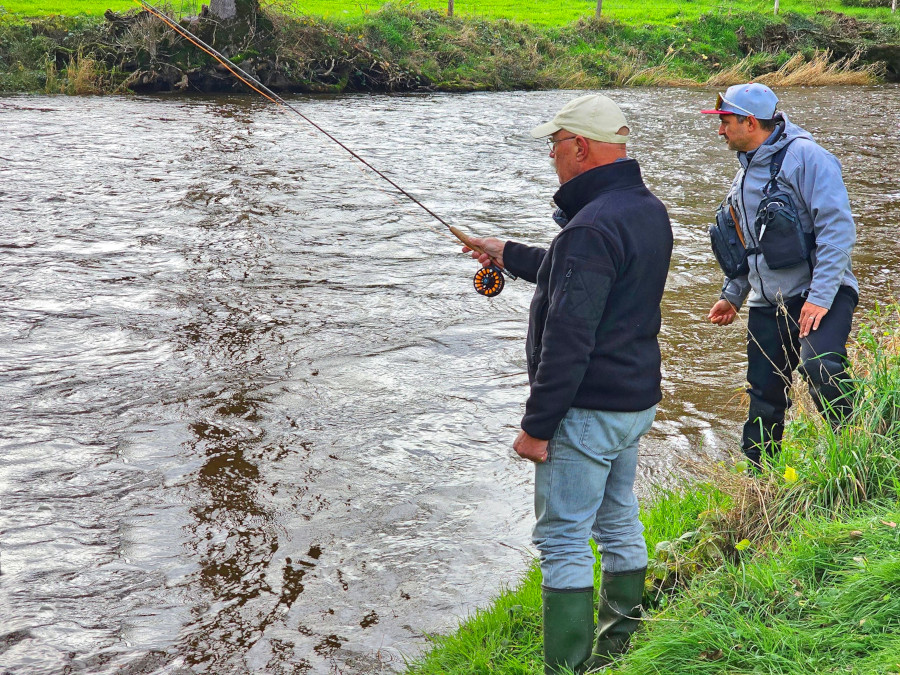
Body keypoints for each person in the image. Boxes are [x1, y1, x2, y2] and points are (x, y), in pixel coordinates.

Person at [464, 94, 672, 674]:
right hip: (633, 401)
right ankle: (624, 645)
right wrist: (505, 253)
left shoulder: (591, 225)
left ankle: (570, 667)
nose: (551, 156)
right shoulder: (643, 208)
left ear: (580, 146)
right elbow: (588, 275)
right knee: (618, 519)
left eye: (554, 144)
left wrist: (536, 427)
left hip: (585, 409)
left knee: (562, 539)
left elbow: (569, 339)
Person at [701, 83, 859, 468]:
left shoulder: (808, 158)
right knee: (764, 394)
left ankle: (861, 448)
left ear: (750, 122)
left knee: (820, 364)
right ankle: (759, 479)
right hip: (766, 302)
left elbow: (837, 229)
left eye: (724, 122)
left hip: (821, 291)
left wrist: (819, 298)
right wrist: (732, 295)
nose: (719, 130)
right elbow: (746, 245)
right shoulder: (743, 175)